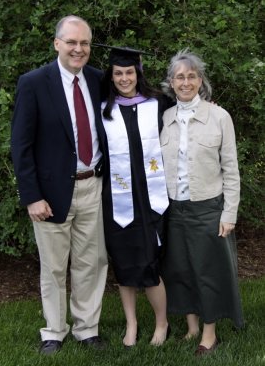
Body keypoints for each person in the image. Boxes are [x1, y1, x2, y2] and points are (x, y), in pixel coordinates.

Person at [11, 15, 108, 354]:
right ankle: (53, 331)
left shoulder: (99, 80)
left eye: (84, 43)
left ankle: (87, 329)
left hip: (93, 187)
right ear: (57, 44)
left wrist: (191, 102)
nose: (78, 49)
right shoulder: (34, 83)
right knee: (53, 266)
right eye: (71, 42)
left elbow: (136, 100)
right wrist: (32, 196)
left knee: (91, 263)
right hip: (50, 194)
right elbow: (20, 144)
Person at [160, 49, 244, 356]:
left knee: (208, 271)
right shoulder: (166, 118)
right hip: (174, 209)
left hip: (208, 208)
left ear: (200, 80)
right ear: (171, 82)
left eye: (191, 76)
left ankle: (209, 333)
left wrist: (229, 213)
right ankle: (191, 326)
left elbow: (231, 169)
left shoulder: (219, 117)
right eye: (179, 77)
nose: (185, 82)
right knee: (180, 270)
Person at [99, 45, 170, 347]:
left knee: (150, 262)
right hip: (117, 198)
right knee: (124, 262)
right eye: (118, 73)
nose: (124, 78)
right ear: (111, 76)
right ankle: (131, 324)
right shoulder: (103, 110)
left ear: (138, 73)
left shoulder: (160, 103)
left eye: (129, 72)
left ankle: (162, 323)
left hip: (152, 197)